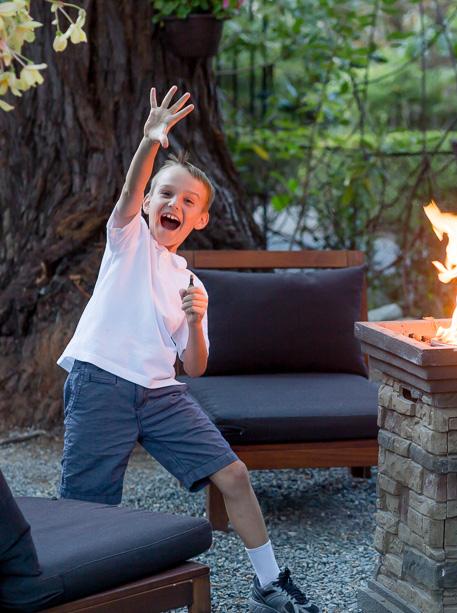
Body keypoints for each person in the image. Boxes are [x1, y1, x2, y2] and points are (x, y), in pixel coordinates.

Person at [56, 86, 321, 613]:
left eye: (188, 201)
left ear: (199, 220)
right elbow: (129, 189)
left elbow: (195, 366)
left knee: (234, 474)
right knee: (87, 509)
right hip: (101, 381)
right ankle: (74, 598)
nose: (174, 204)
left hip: (160, 393)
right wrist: (151, 141)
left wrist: (196, 322)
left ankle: (269, 583)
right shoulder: (128, 241)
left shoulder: (191, 283)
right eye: (165, 194)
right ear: (148, 203)